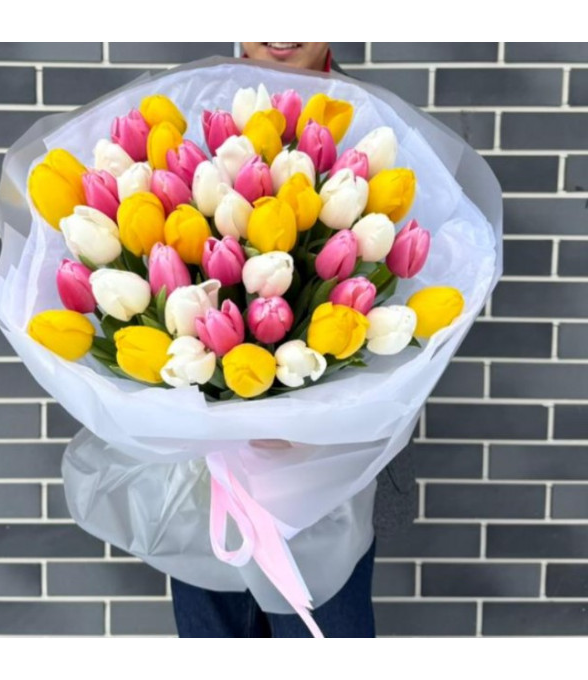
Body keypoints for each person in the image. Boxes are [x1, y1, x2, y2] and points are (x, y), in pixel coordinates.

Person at [170, 42, 418, 638]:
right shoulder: (193, 119)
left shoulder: (380, 130)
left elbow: (417, 303)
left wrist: (315, 412)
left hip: (331, 477)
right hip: (210, 475)